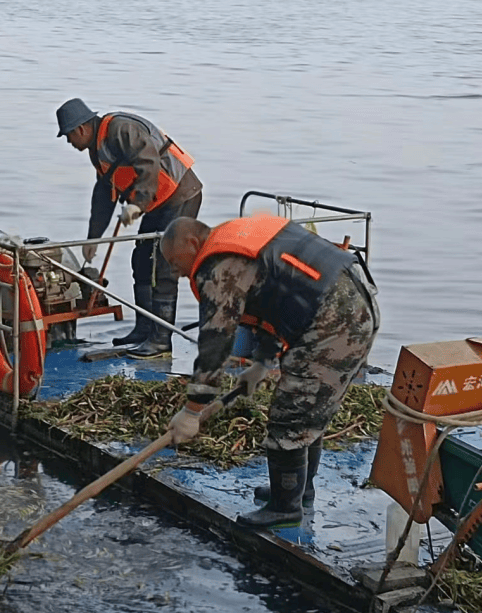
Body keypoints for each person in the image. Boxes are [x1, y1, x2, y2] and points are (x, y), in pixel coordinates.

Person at [160, 214, 380, 528]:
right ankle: (299, 491)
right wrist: (263, 361)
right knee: (308, 409)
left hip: (337, 319)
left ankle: (285, 507)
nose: (175, 272)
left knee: (291, 413)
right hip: (353, 300)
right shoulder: (239, 239)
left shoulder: (218, 265)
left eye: (173, 261)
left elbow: (216, 342)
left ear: (192, 243)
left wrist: (192, 410)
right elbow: (275, 301)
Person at [55, 98, 203, 358]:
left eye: (68, 137)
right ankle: (144, 328)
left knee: (164, 263)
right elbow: (103, 194)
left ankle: (161, 340)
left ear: (80, 129)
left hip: (180, 194)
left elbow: (148, 162)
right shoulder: (96, 147)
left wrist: (137, 204)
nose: (69, 143)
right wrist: (93, 239)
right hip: (156, 202)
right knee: (141, 259)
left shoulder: (120, 130)